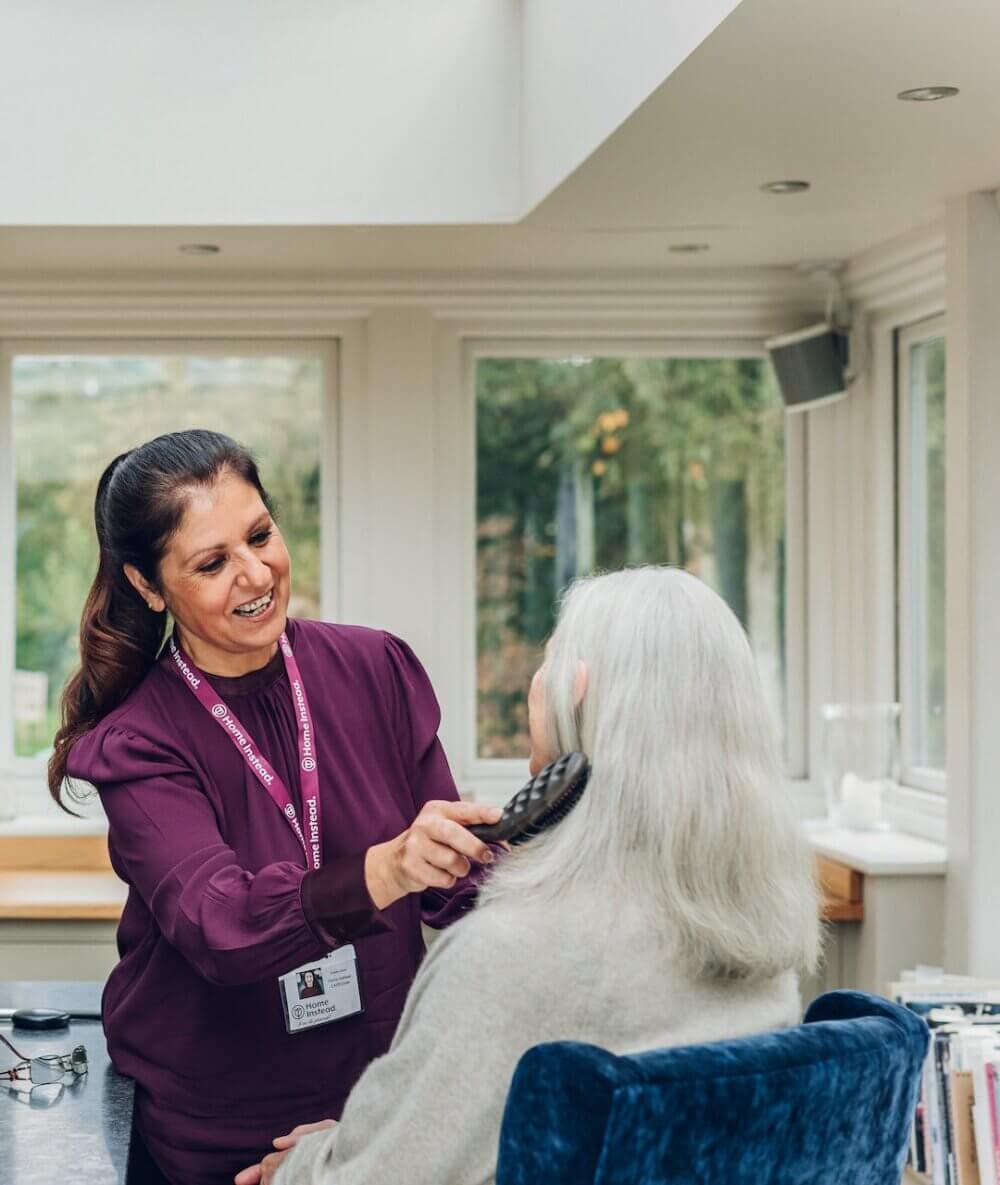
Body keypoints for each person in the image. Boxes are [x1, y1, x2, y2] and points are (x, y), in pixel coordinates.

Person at [237, 565, 822, 1185]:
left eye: (547, 661)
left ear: (577, 692)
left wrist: (300, 1167)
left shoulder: (508, 956)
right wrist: (360, 1138)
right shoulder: (762, 942)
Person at [51, 430, 502, 1185]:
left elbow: (456, 886)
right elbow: (220, 926)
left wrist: (528, 849)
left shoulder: (375, 668)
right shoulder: (138, 741)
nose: (256, 573)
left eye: (260, 535)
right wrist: (385, 869)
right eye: (212, 561)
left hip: (373, 1116)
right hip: (220, 1137)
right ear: (149, 585)